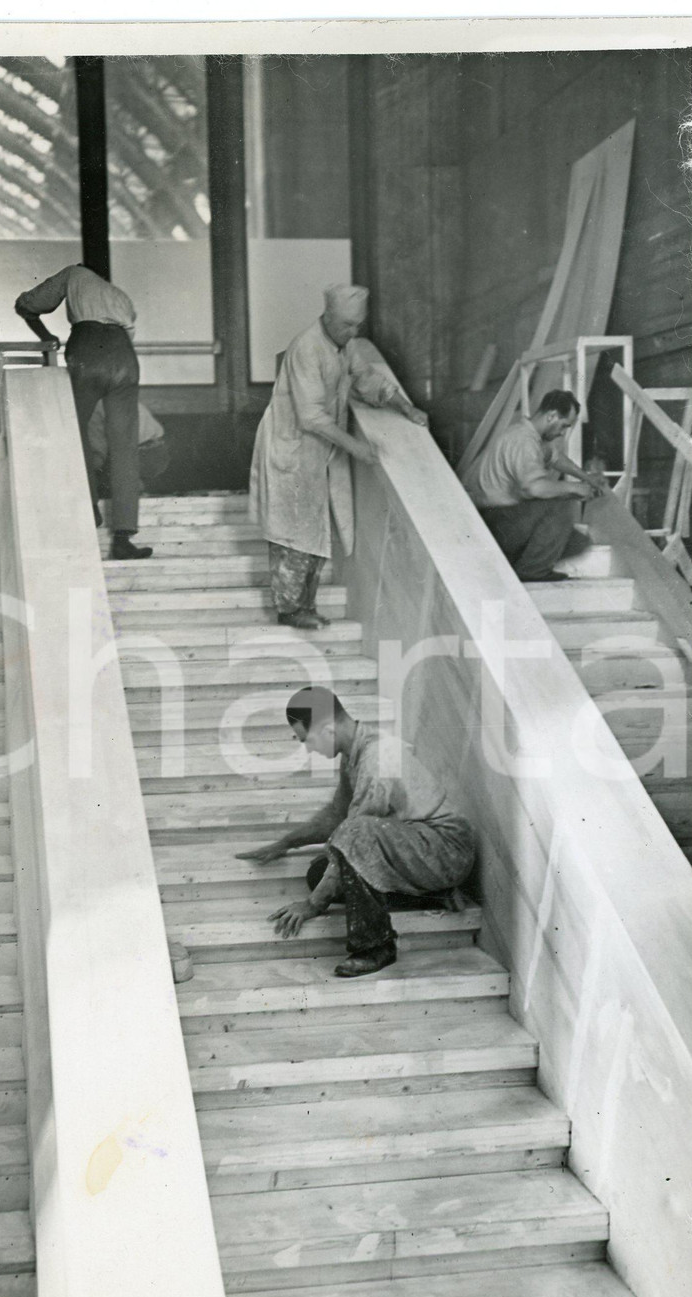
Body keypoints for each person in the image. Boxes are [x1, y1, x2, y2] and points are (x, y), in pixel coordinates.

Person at [236, 687, 476, 978]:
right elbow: (336, 815)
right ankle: (434, 895)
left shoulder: (377, 756)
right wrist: (287, 843)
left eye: (307, 740)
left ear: (327, 728)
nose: (309, 749)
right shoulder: (354, 753)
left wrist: (313, 905)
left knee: (353, 836)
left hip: (446, 850)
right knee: (319, 872)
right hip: (418, 849)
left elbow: (353, 835)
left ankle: (376, 946)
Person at [248, 285, 428, 630]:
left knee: (314, 529)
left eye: (357, 326)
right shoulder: (307, 347)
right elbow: (310, 417)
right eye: (347, 325)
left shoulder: (345, 345)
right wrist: (355, 447)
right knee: (292, 532)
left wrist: (406, 407)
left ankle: (306, 605)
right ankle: (289, 608)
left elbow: (366, 379)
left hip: (317, 452)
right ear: (328, 317)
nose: (353, 332)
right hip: (291, 445)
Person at [14, 263, 153, 560]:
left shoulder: (74, 273)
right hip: (124, 358)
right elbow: (128, 335)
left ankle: (88, 508)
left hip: (88, 351)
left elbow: (28, 304)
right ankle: (123, 538)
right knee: (125, 447)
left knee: (74, 434)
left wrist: (43, 334)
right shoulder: (120, 296)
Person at [461, 389, 609, 582]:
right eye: (563, 426)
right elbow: (533, 488)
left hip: (505, 520)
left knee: (578, 543)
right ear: (552, 416)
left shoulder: (535, 438)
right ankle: (531, 572)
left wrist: (587, 478)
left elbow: (556, 459)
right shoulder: (522, 440)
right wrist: (574, 488)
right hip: (489, 522)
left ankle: (512, 565)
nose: (562, 433)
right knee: (559, 505)